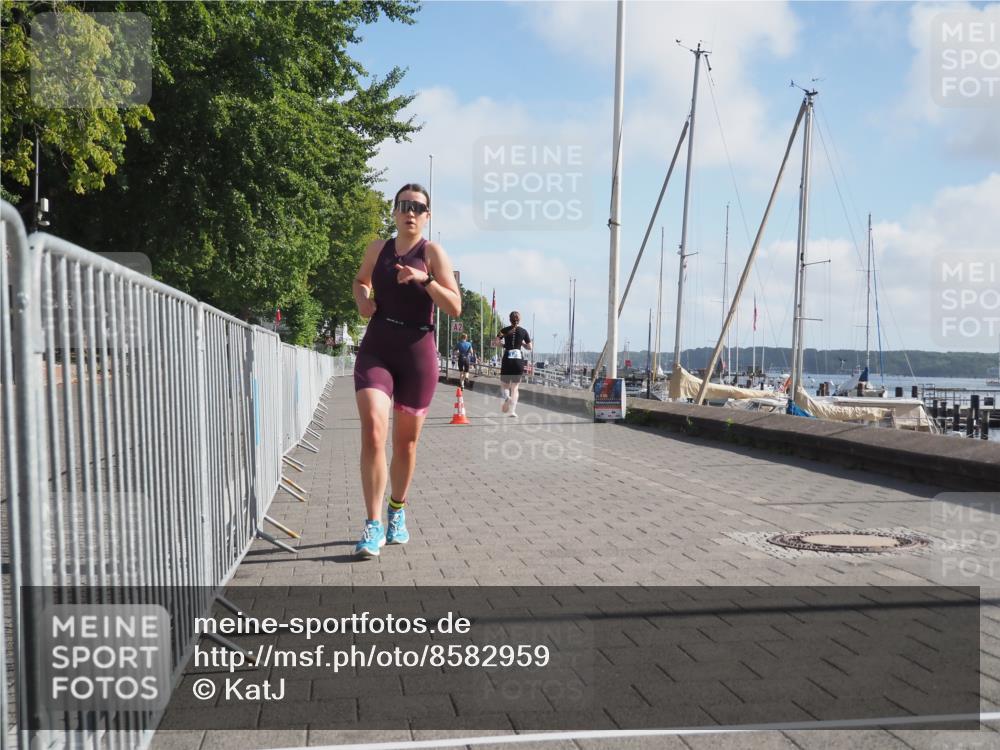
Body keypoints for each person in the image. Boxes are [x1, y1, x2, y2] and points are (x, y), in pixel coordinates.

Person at [351, 183, 461, 558]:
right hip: (377, 348)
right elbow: (361, 281)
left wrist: (424, 280)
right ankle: (372, 524)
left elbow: (455, 307)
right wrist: (363, 299)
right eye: (404, 205)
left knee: (406, 443)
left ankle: (396, 510)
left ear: (427, 216)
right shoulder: (376, 249)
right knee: (374, 430)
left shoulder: (432, 253)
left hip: (418, 354)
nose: (410, 211)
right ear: (395, 212)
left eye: (418, 207)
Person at [497, 311, 531, 418]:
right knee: (515, 388)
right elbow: (530, 347)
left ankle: (507, 398)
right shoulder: (524, 331)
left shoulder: (504, 330)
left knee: (504, 385)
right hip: (518, 359)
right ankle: (512, 411)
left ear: (509, 319)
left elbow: (496, 342)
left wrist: (504, 345)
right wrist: (522, 344)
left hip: (507, 358)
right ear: (519, 320)